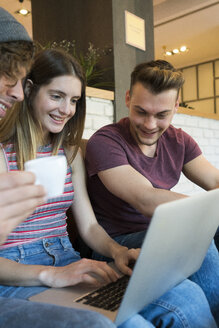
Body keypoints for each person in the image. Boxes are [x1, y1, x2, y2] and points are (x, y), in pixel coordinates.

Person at [0, 7, 118, 328]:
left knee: (176, 298)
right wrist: (51, 274)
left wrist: (117, 251)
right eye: (56, 96)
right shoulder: (3, 154)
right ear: (29, 90)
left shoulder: (69, 154)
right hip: (18, 271)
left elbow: (90, 227)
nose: (66, 110)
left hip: (68, 259)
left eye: (75, 100)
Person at [85, 60, 219, 325]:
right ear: (127, 98)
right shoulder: (106, 141)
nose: (149, 124)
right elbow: (146, 199)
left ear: (176, 106)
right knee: (199, 239)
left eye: (161, 115)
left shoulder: (179, 141)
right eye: (141, 111)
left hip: (161, 236)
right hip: (117, 246)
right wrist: (201, 214)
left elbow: (214, 179)